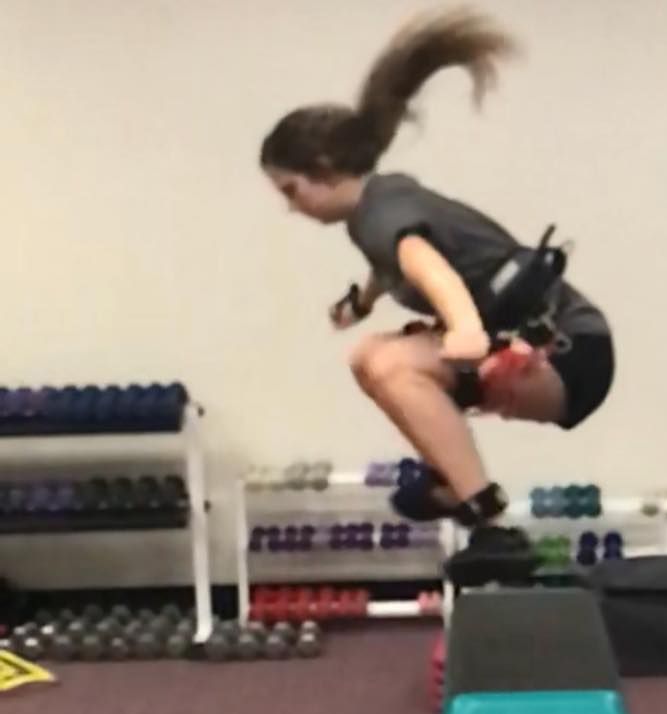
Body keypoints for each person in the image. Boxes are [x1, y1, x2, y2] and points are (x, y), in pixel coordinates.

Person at [259, 7, 614, 583]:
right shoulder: (380, 204)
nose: (290, 206)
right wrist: (362, 302)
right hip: (549, 345)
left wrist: (463, 327)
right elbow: (398, 262)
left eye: (291, 190)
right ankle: (457, 484)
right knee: (384, 360)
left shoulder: (383, 214)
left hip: (571, 353)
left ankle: (485, 518)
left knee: (382, 361)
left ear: (322, 169)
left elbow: (426, 266)